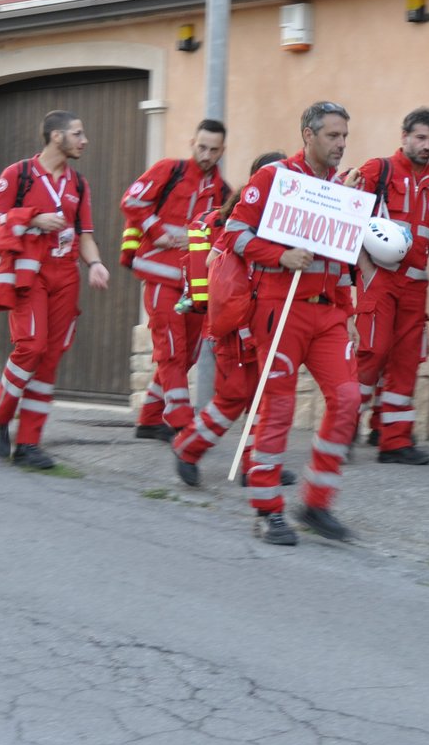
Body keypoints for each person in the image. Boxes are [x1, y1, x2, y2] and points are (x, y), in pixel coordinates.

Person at [216, 102, 363, 544]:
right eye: (333, 136)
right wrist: (279, 255)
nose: (340, 145)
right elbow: (234, 235)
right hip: (281, 308)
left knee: (348, 397)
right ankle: (267, 509)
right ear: (308, 134)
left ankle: (316, 502)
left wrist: (349, 313)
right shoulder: (274, 177)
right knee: (277, 409)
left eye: (344, 137)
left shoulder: (339, 187)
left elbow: (342, 261)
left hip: (328, 312)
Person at [0, 110, 111, 469]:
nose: (84, 141)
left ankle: (28, 444)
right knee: (31, 347)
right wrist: (31, 218)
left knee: (50, 357)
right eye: (77, 133)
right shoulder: (17, 175)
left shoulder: (79, 184)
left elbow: (85, 235)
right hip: (30, 272)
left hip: (65, 273)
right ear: (56, 137)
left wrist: (96, 264)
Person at [169, 152, 297, 490]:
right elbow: (218, 265)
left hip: (263, 324)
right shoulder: (237, 221)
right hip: (234, 327)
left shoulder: (284, 220)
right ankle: (187, 448)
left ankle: (253, 466)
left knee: (263, 395)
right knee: (233, 396)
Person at [352, 107, 429, 465]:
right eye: (421, 138)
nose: (427, 145)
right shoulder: (376, 171)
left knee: (406, 361)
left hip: (414, 287)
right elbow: (350, 224)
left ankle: (394, 441)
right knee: (372, 352)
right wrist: (365, 274)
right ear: (405, 136)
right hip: (379, 282)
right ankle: (343, 425)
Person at [120, 119, 231, 442]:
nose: (207, 154)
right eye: (202, 147)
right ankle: (182, 423)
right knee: (171, 349)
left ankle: (150, 419)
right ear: (192, 142)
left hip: (195, 285)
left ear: (222, 151)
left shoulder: (223, 192)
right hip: (159, 278)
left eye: (213, 149)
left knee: (189, 354)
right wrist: (158, 232)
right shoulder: (170, 170)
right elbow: (131, 201)